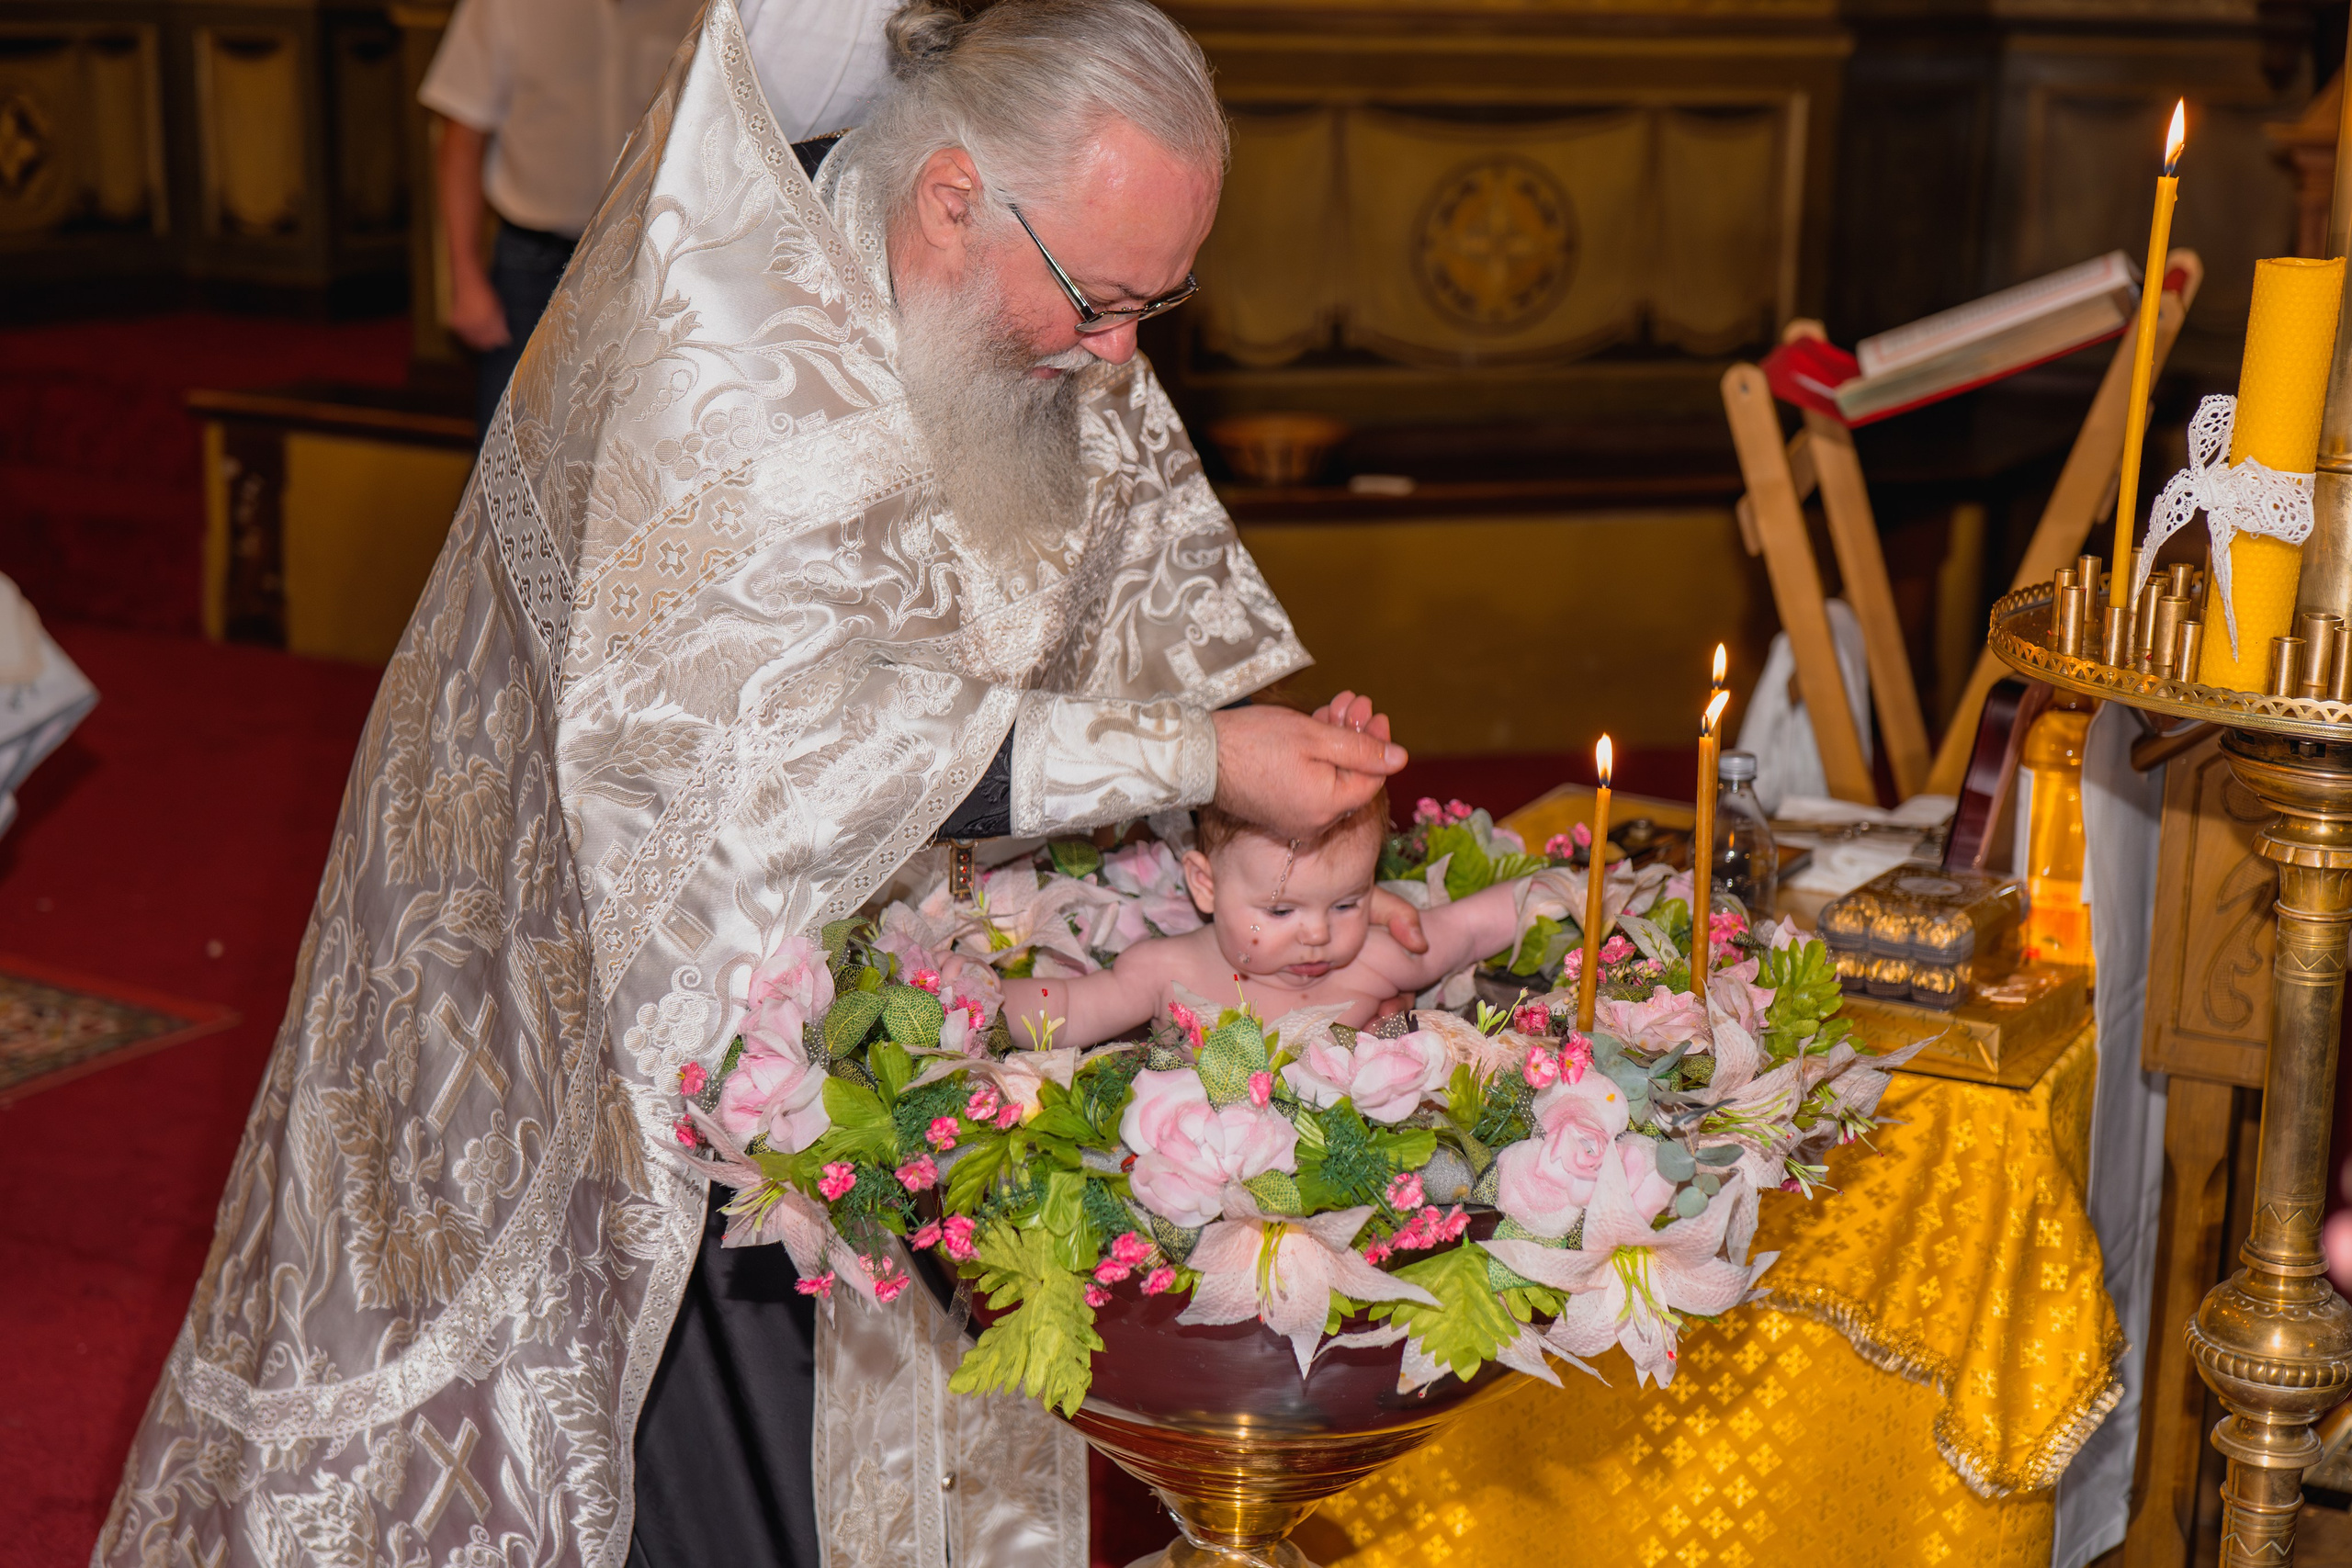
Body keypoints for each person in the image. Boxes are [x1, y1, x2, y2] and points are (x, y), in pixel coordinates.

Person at [97, 6, 1419, 1568]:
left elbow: (1147, 610)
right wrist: (1199, 760)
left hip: (895, 987)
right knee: (703, 1480)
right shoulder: (735, 364)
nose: (1123, 351)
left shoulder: (1054, 304)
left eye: (1158, 301)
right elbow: (762, 759)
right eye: (1102, 298)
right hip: (626, 1015)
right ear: (947, 196)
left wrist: (1264, 770)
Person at [422, 0, 901, 435]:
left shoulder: (728, 7)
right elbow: (461, 137)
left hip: (663, 261)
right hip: (533, 263)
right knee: (508, 437)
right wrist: (463, 276)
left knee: (637, 440)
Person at [999, 791, 1536, 1045]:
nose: (1320, 934)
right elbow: (1067, 1009)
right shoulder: (1166, 972)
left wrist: (1570, 892)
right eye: (1281, 910)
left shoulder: (1374, 960)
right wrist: (973, 1002)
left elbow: (1467, 928)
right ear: (1205, 885)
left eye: (1348, 903)